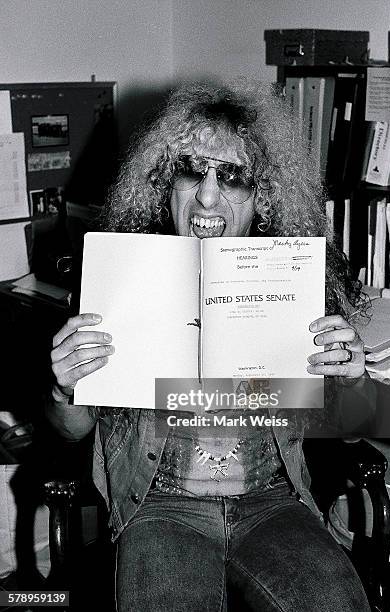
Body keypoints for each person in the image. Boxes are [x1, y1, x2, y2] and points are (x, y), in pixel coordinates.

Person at [47, 80, 372, 611]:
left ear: (264, 193)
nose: (206, 194)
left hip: (274, 502)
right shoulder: (116, 282)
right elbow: (70, 432)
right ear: (163, 182)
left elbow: (350, 431)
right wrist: (63, 389)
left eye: (234, 176)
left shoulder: (295, 284)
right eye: (191, 169)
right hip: (160, 508)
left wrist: (352, 380)